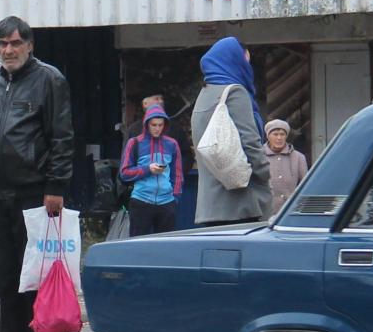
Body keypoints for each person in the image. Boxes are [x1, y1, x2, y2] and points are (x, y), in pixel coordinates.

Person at [0, 16, 74, 332]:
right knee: (7, 275)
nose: (9, 50)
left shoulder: (49, 79)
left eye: (16, 43)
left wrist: (55, 186)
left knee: (40, 273)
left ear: (30, 45)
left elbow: (62, 137)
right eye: (3, 44)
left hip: (36, 192)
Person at [191, 36, 272, 225]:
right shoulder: (235, 92)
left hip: (209, 206)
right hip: (241, 205)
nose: (248, 67)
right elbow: (250, 142)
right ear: (233, 61)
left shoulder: (203, 95)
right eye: (245, 61)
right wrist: (265, 173)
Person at [119, 97, 182, 236]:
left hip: (167, 202)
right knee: (138, 247)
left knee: (165, 247)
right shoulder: (134, 143)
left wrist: (175, 197)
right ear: (146, 124)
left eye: (160, 125)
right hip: (141, 200)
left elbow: (177, 174)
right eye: (154, 125)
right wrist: (148, 169)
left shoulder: (172, 144)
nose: (157, 129)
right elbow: (124, 172)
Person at [263, 118, 309, 210]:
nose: (279, 138)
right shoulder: (259, 156)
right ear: (268, 136)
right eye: (275, 134)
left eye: (282, 134)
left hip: (289, 210)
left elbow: (306, 185)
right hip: (266, 210)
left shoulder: (298, 157)